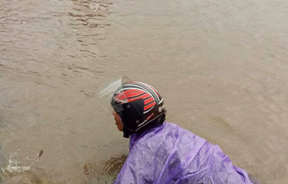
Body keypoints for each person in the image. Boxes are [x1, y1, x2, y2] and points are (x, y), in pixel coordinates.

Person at [102, 79, 255, 184]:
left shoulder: (143, 152)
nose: (113, 115)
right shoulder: (171, 131)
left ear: (132, 118)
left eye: (117, 111)